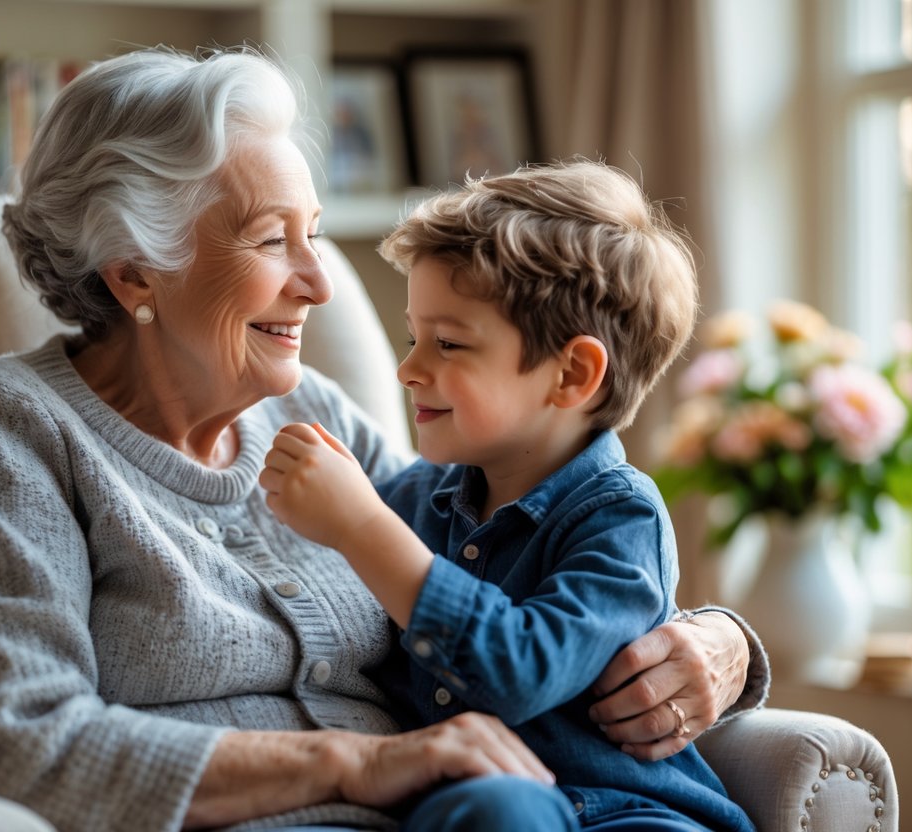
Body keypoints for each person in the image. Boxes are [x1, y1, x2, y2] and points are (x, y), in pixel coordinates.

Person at [0, 46, 765, 832]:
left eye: (312, 234)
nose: (319, 282)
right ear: (134, 273)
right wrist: (358, 763)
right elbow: (16, 744)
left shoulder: (310, 413)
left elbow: (506, 558)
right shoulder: (8, 427)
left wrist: (716, 644)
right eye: (273, 241)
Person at [260, 161, 755, 831]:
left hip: (631, 813)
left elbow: (520, 672)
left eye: (447, 343)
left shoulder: (620, 516)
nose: (408, 370)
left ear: (572, 374)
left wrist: (359, 526)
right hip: (486, 808)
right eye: (413, 338)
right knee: (492, 805)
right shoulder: (411, 499)